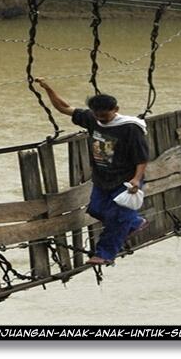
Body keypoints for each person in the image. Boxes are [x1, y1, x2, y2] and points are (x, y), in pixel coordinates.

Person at [37, 77, 149, 265]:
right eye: (97, 115)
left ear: (116, 110)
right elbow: (64, 108)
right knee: (96, 210)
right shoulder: (92, 119)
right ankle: (135, 222)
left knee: (116, 218)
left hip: (125, 180)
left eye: (105, 116)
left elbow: (142, 157)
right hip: (102, 178)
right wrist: (48, 88)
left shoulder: (130, 128)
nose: (101, 119)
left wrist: (137, 180)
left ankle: (104, 254)